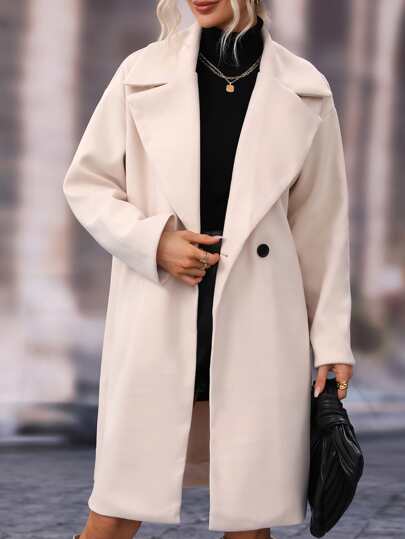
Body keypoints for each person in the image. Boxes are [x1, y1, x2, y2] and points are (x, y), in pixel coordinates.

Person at [63, 1, 355, 538]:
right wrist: (154, 243)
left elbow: (322, 226)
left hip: (259, 319)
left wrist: (332, 339)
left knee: (249, 512)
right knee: (117, 505)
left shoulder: (305, 88)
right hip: (162, 307)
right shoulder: (141, 73)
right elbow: (88, 184)